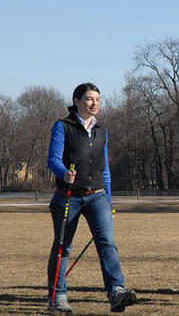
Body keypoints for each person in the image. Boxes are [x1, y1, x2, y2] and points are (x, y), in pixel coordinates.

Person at [46, 83, 137, 313]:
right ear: (77, 101)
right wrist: (64, 173)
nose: (94, 103)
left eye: (97, 99)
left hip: (97, 196)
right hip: (68, 197)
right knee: (63, 247)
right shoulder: (63, 126)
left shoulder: (101, 130)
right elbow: (53, 159)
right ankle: (58, 297)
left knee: (107, 244)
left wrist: (108, 199)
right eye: (89, 99)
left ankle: (117, 291)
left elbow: (105, 169)